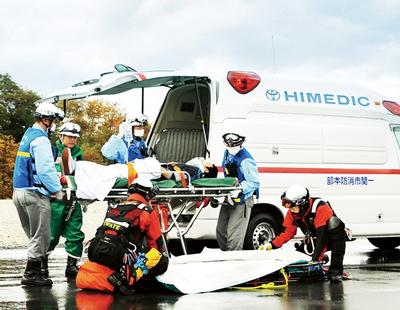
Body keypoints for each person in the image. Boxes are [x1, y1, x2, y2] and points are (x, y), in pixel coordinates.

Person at [76, 177, 168, 294]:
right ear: (148, 195)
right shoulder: (147, 211)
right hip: (120, 254)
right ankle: (128, 277)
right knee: (161, 261)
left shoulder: (115, 207)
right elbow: (155, 243)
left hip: (97, 250)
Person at [12, 102, 64, 286]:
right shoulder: (41, 140)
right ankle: (31, 275)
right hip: (35, 194)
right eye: (54, 120)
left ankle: (37, 271)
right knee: (41, 234)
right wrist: (57, 190)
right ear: (47, 120)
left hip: (19, 192)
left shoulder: (27, 135)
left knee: (33, 234)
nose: (55, 124)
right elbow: (45, 170)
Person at [262, 184, 347, 282]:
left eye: (293, 208)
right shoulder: (293, 212)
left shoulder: (321, 208)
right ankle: (322, 258)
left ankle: (336, 270)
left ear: (303, 204)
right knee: (301, 259)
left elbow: (322, 239)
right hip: (314, 238)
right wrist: (271, 244)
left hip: (332, 237)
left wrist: (315, 261)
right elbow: (288, 232)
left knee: (333, 223)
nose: (291, 210)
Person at [45, 122, 85, 278]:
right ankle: (42, 264)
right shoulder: (51, 152)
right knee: (51, 235)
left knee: (75, 233)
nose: (72, 140)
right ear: (60, 136)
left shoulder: (79, 155)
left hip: (73, 200)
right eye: (69, 136)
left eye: (75, 137)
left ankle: (72, 266)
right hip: (56, 201)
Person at [216, 132, 260, 251]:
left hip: (242, 199)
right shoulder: (227, 153)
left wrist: (240, 189)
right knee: (221, 231)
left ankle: (233, 260)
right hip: (230, 196)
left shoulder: (246, 160)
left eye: (233, 145)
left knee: (234, 235)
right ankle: (226, 258)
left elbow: (254, 182)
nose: (231, 148)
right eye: (228, 145)